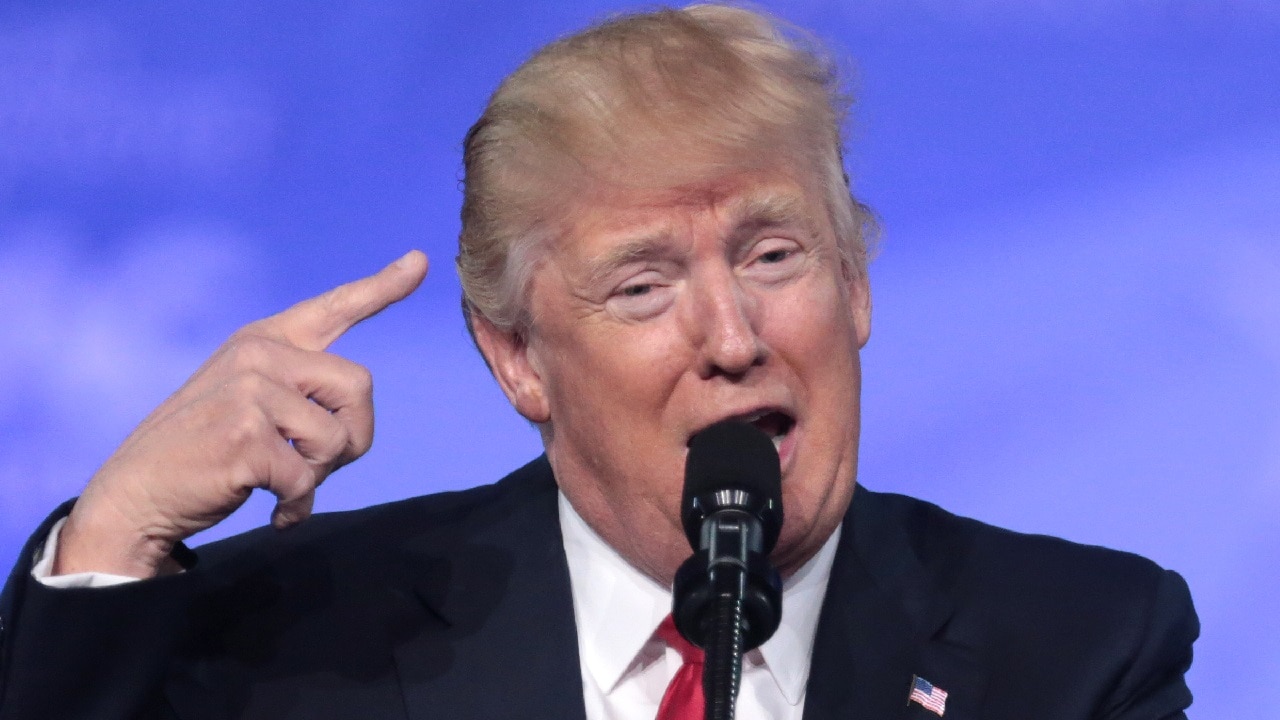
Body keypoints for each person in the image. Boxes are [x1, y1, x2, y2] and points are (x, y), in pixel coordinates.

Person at [0, 4, 1197, 719]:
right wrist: (114, 538)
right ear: (518, 362)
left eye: (773, 255)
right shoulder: (308, 634)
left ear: (857, 286)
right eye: (641, 286)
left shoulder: (1075, 644)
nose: (731, 340)